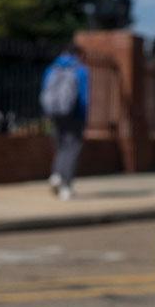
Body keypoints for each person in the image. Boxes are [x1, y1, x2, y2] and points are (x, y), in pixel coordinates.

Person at [41, 44, 90, 201]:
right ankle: (66, 186)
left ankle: (56, 175)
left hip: (54, 113)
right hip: (74, 115)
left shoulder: (52, 68)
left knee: (60, 146)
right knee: (72, 148)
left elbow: (45, 91)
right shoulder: (81, 70)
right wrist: (84, 117)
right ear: (78, 54)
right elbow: (83, 96)